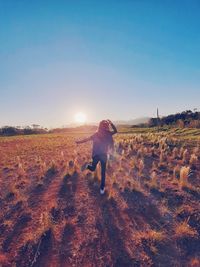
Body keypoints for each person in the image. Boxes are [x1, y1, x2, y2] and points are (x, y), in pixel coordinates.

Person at [76, 120, 117, 194]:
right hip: (96, 155)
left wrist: (111, 123)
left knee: (103, 172)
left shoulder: (108, 134)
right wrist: (79, 142)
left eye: (106, 125)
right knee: (93, 168)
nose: (105, 127)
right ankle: (88, 166)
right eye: (105, 125)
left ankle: (102, 187)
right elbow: (87, 139)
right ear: (102, 126)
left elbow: (115, 131)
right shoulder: (96, 134)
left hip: (103, 155)